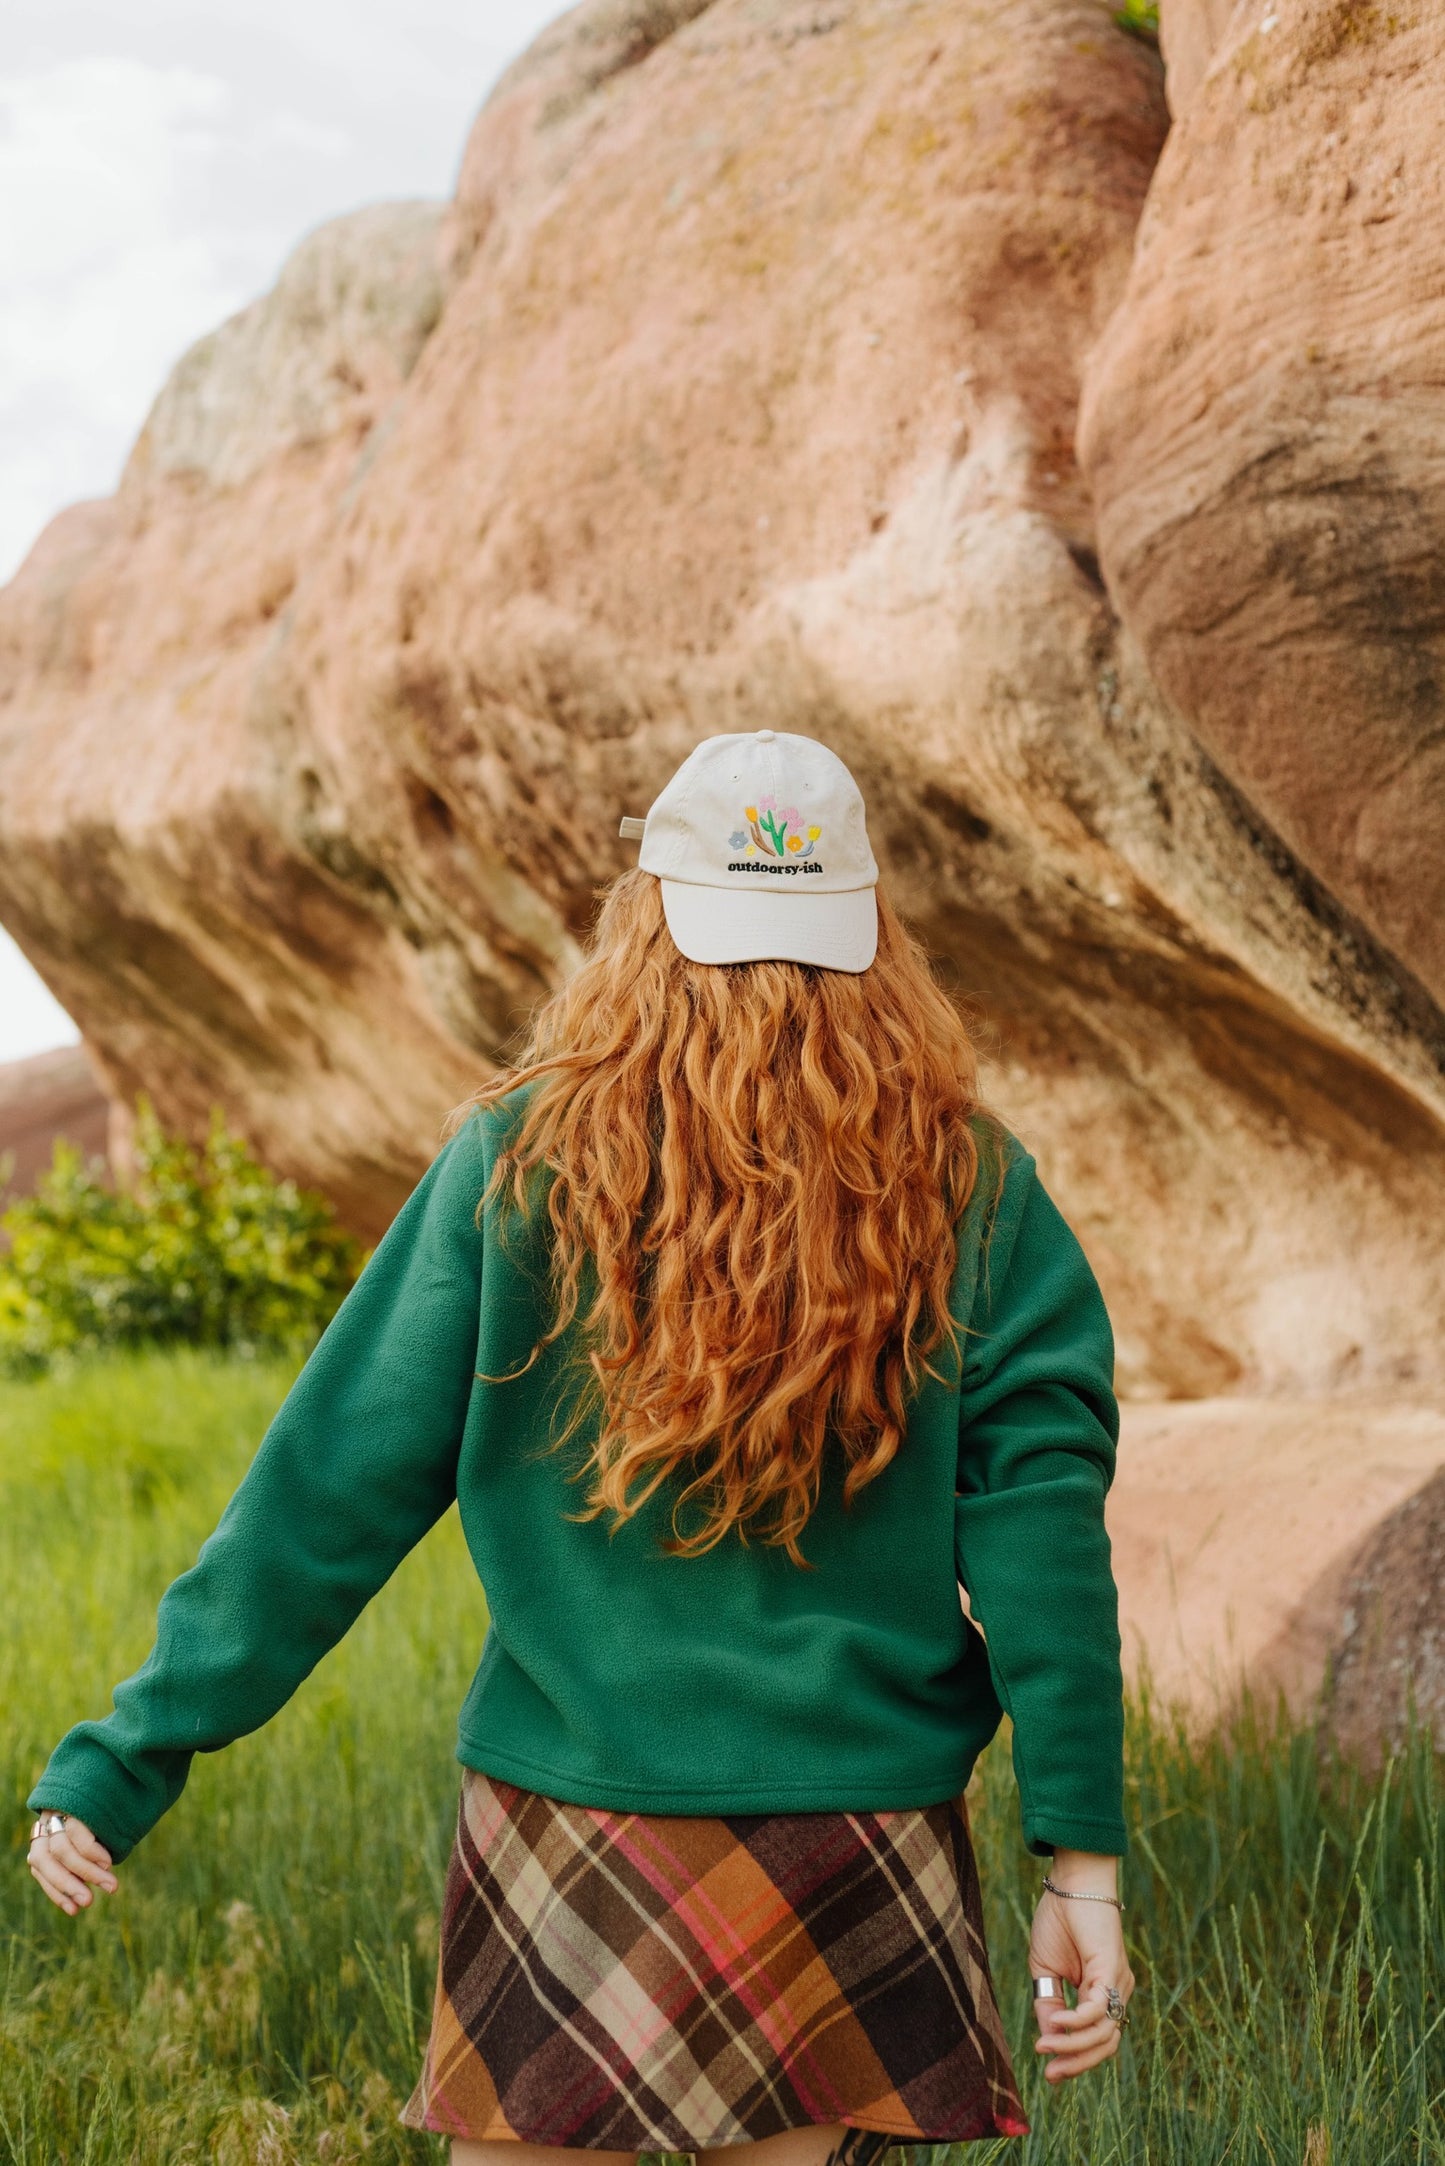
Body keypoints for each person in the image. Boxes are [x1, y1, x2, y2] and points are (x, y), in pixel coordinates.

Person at [27, 731, 1134, 2162]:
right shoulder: (977, 1189)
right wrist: (1083, 1863)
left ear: (647, 915)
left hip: (569, 1826)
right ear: (868, 933)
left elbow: (327, 1489)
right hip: (849, 1836)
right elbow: (1048, 1538)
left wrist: (136, 1749)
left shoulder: (514, 1162)